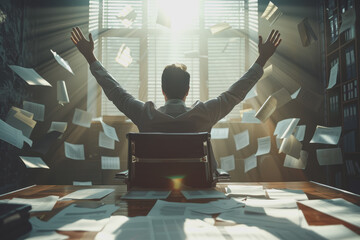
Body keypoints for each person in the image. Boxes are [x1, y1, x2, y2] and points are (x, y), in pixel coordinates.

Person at [70, 27, 281, 172]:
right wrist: (262, 58)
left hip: (150, 190)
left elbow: (115, 91)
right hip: (200, 192)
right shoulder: (205, 114)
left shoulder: (145, 115)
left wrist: (90, 57)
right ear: (188, 90)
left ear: (162, 90)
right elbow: (236, 93)